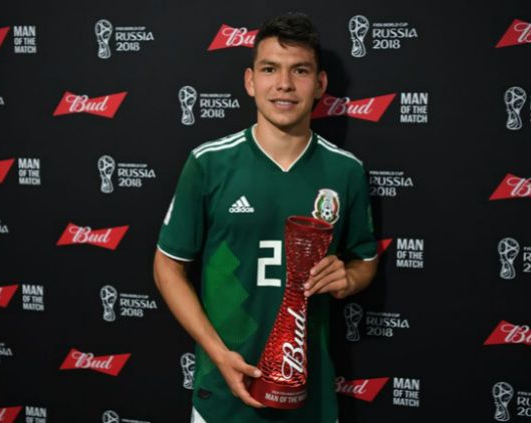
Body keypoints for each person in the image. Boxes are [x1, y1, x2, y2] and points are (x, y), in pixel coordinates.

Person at [153, 12, 378, 423]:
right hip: (221, 394)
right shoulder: (209, 164)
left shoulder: (346, 172)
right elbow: (167, 266)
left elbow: (365, 259)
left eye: (300, 71)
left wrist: (349, 278)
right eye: (270, 69)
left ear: (320, 84)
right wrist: (218, 355)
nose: (285, 85)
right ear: (250, 81)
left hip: (310, 400)